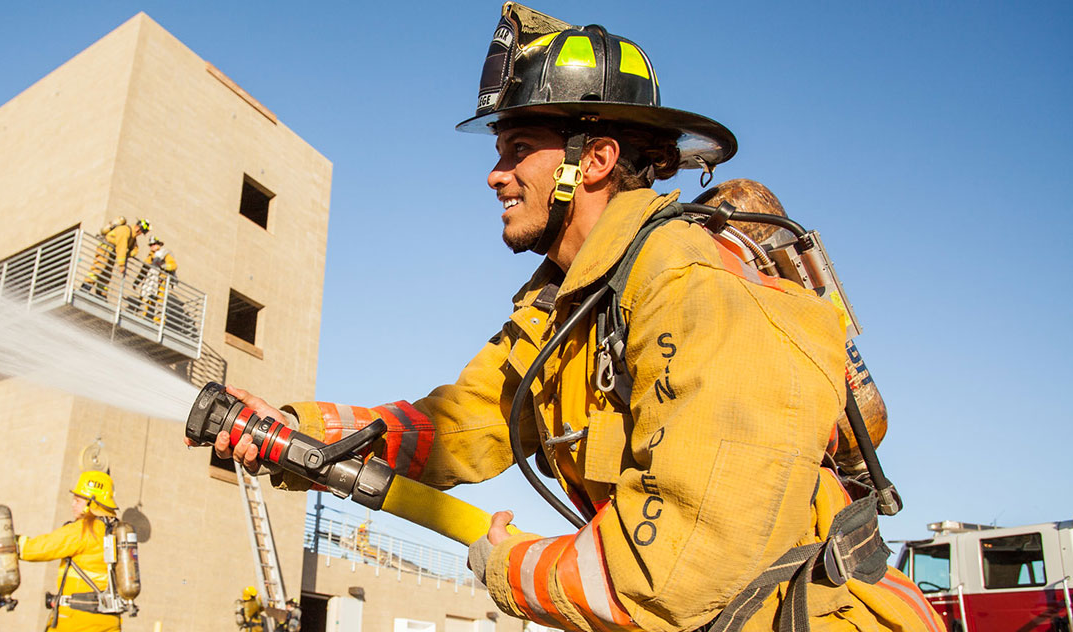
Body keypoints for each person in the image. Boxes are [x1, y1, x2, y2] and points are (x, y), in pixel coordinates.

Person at [209, 4, 943, 631]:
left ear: (593, 162)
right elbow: (462, 422)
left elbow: (669, 574)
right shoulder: (569, 309)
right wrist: (300, 431)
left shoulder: (694, 284)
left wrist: (508, 565)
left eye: (518, 149)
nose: (495, 173)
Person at [18, 471, 124, 632]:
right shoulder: (117, 530)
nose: (73, 505)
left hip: (77, 621)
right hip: (109, 621)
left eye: (78, 500)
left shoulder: (83, 530)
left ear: (91, 502)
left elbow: (36, 549)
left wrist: (12, 542)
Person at [83, 217, 150, 297]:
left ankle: (101, 294)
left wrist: (128, 254)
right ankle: (85, 288)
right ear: (137, 228)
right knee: (99, 267)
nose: (140, 234)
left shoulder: (132, 236)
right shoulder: (125, 231)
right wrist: (121, 264)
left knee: (106, 273)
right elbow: (122, 247)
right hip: (105, 248)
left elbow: (134, 249)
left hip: (112, 253)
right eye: (141, 232)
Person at [133, 235, 178, 321]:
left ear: (159, 244)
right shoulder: (149, 257)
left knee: (159, 303)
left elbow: (173, 265)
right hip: (149, 282)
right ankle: (140, 319)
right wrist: (137, 281)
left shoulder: (165, 253)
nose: (152, 246)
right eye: (151, 245)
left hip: (161, 282)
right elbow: (143, 270)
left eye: (154, 244)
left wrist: (163, 266)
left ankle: (158, 323)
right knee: (145, 299)